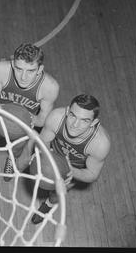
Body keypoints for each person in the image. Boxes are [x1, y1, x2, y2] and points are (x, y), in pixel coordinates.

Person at [31, 94, 111, 224]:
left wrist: (70, 170)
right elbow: (43, 141)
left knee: (57, 192)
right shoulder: (56, 117)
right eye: (73, 115)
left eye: (85, 120)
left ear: (94, 122)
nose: (75, 124)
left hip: (73, 169)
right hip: (52, 155)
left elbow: (92, 174)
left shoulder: (100, 144)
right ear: (67, 111)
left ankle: (49, 204)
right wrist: (41, 155)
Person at [0, 43, 59, 181]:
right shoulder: (1, 70)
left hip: (24, 122)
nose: (23, 77)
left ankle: (11, 159)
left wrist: (25, 119)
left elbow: (42, 119)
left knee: (18, 146)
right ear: (13, 64)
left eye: (30, 71)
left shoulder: (50, 87)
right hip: (0, 113)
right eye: (19, 69)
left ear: (40, 69)